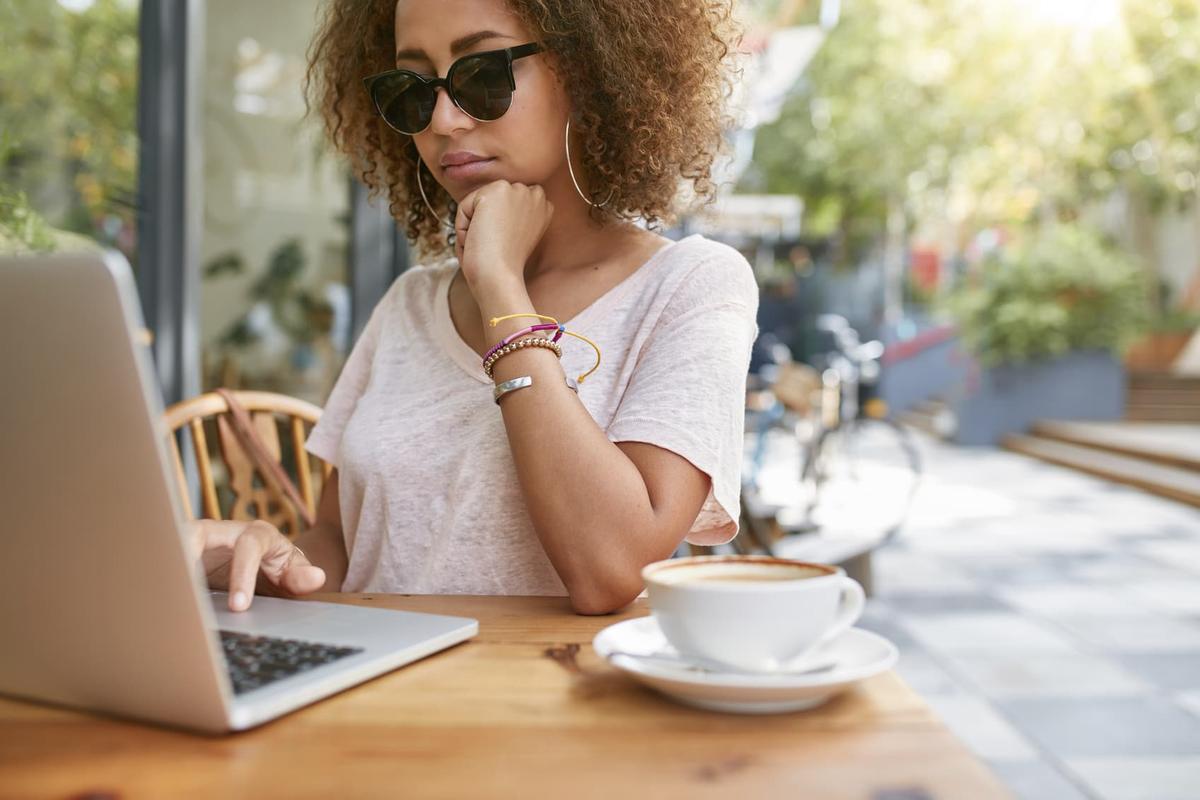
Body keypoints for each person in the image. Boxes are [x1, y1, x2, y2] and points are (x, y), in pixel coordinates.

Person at [192, 0, 759, 615]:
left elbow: (611, 569)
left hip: (554, 698)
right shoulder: (410, 304)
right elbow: (338, 539)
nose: (443, 119)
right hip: (371, 698)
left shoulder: (690, 285)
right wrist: (267, 565)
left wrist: (499, 288)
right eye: (412, 88)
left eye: (482, 73)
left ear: (587, 71)